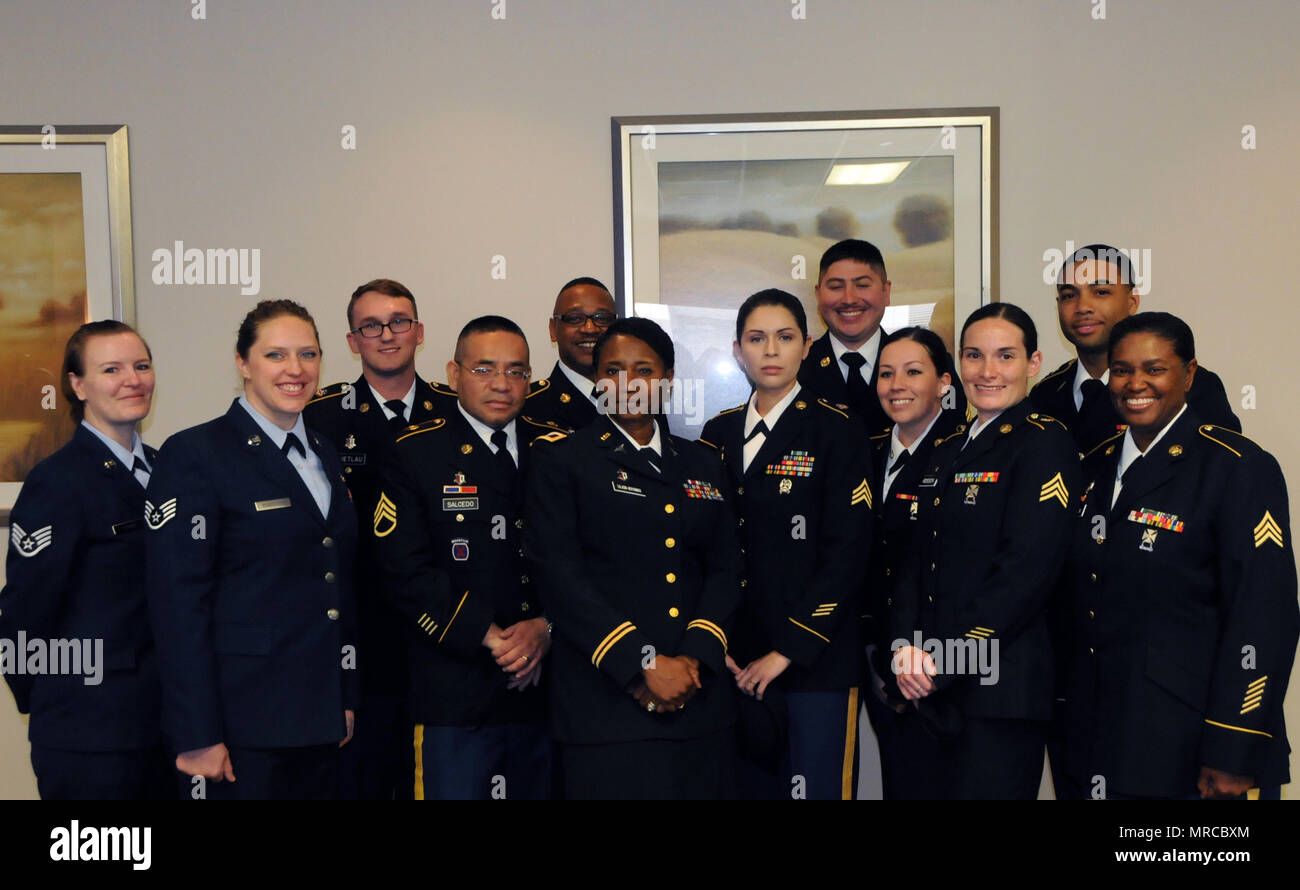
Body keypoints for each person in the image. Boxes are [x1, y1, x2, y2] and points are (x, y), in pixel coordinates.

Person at [1059, 312, 1297, 800]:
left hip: (1194, 749)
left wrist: (1234, 748)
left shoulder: (1236, 468)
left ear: (1188, 375)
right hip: (1097, 740)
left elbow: (1263, 619)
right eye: (1122, 370)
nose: (1135, 383)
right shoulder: (1093, 466)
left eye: (1154, 368)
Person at [146, 299, 358, 800]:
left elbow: (337, 584)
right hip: (241, 727)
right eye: (276, 355)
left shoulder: (324, 452)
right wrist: (197, 733)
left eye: (308, 355)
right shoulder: (196, 454)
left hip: (319, 719)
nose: (296, 370)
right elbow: (178, 604)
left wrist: (344, 698)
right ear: (242, 363)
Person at [525, 317, 741, 799]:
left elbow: (726, 568)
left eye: (643, 370)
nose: (628, 383)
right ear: (598, 381)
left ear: (666, 380)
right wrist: (641, 663)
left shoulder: (703, 461)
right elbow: (559, 574)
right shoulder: (562, 459)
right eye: (613, 370)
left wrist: (691, 660)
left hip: (698, 701)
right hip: (604, 705)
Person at [889, 303, 1080, 799]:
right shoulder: (948, 444)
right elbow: (915, 556)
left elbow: (1025, 575)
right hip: (925, 684)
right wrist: (906, 648)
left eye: (1005, 356)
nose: (988, 371)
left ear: (1033, 363)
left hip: (998, 691)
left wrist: (943, 661)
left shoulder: (1044, 442)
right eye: (974, 356)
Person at [371, 315, 561, 800]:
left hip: (547, 693)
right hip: (453, 695)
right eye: (484, 369)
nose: (502, 384)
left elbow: (585, 560)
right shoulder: (413, 452)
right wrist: (495, 639)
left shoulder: (558, 450)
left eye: (517, 371)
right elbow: (403, 571)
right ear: (454, 375)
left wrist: (546, 628)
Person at [698, 289, 872, 800]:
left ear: (807, 346)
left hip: (814, 659)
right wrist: (716, 642)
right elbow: (705, 547)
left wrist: (787, 651)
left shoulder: (838, 429)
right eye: (757, 338)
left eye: (784, 337)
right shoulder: (717, 433)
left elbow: (849, 554)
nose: (770, 350)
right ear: (737, 350)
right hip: (734, 661)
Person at [0, 321, 171, 799]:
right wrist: (59, 702)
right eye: (111, 369)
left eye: (141, 366)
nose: (132, 380)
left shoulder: (170, 469)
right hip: (90, 736)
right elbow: (23, 612)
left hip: (164, 726)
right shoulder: (57, 482)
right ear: (78, 386)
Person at [303, 278, 438, 800]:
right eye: (371, 326)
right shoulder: (319, 419)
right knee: (368, 779)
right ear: (353, 340)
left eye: (399, 321)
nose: (387, 334)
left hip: (440, 631)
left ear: (419, 332)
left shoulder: (452, 413)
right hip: (358, 636)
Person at [863, 326, 966, 800]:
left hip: (939, 661)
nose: (896, 384)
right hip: (875, 653)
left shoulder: (963, 452)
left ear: (944, 382)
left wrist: (921, 659)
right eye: (886, 373)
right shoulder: (865, 451)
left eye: (913, 371)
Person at [1031, 243, 1240, 456]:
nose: (1083, 306)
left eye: (1101, 292)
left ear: (1132, 302)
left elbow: (1222, 471)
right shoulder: (1045, 394)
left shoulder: (1189, 386)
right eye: (1068, 296)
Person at [798, 239, 966, 434]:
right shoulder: (797, 369)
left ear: (886, 291)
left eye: (862, 285)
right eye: (836, 287)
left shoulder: (933, 363)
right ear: (818, 295)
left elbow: (950, 437)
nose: (849, 299)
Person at [523, 277, 618, 431]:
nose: (590, 329)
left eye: (602, 318)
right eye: (575, 318)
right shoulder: (527, 406)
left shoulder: (640, 399)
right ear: (553, 329)